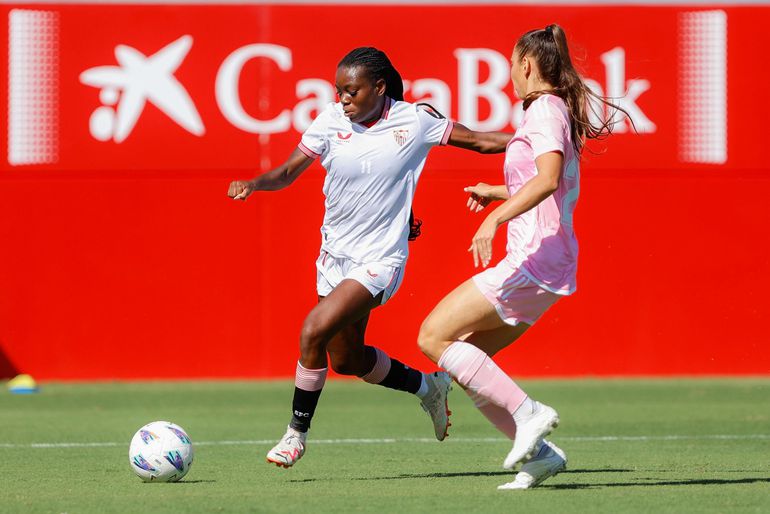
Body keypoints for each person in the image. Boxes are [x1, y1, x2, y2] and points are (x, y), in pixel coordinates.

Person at [228, 47, 513, 468]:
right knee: (346, 360)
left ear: (379, 88)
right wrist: (254, 183)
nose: (342, 99)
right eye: (339, 90)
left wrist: (541, 143)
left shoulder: (414, 120)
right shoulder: (329, 120)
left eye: (351, 91)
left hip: (380, 259)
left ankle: (295, 435)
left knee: (313, 331)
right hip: (334, 257)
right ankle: (427, 389)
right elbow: (287, 173)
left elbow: (481, 141)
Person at [417, 24, 631, 489]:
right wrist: (497, 193)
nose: (509, 75)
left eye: (511, 64)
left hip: (534, 260)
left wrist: (493, 220)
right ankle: (542, 458)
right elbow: (541, 180)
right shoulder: (546, 111)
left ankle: (529, 412)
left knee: (433, 335)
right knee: (468, 361)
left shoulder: (546, 111)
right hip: (547, 263)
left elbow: (549, 178)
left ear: (526, 65)